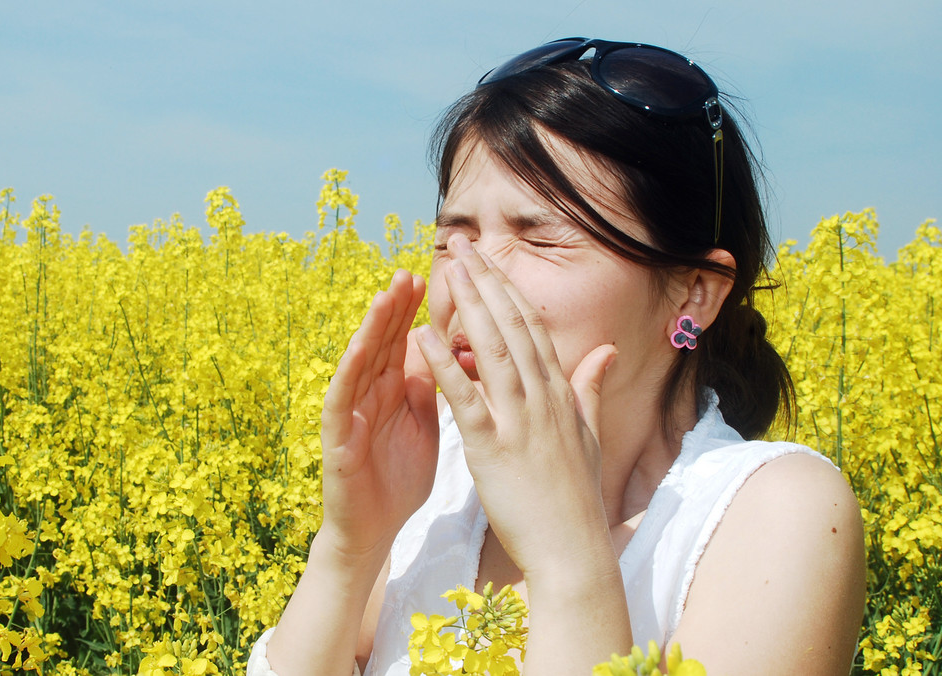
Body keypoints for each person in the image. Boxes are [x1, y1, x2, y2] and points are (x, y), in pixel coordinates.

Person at [248, 38, 866, 676]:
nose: (469, 276)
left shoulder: (776, 514)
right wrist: (351, 546)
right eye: (451, 237)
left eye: (539, 235)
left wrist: (568, 560)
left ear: (694, 292)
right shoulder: (442, 483)